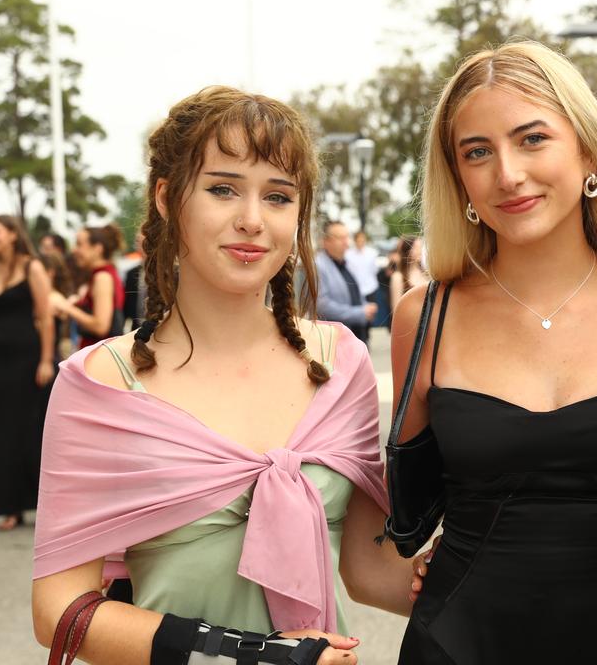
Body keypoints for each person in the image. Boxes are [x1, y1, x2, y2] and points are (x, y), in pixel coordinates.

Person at [30, 86, 413, 665]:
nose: (252, 220)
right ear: (166, 198)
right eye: (222, 189)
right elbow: (58, 609)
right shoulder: (101, 383)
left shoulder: (343, 365)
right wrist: (254, 656)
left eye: (279, 197)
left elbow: (370, 571)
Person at [392, 41, 597, 664]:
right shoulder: (422, 317)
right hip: (454, 647)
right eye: (476, 152)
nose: (507, 173)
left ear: (588, 149)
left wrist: (579, 580)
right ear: (458, 180)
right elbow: (383, 524)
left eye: (533, 139)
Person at [0, 215, 55, 531]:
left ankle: (41, 505)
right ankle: (10, 507)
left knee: (31, 432)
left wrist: (46, 360)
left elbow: (45, 318)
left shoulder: (32, 266)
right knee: (5, 432)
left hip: (28, 359)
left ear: (12, 235)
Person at [53, 225, 125, 349]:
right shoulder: (100, 274)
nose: (74, 250)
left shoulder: (102, 277)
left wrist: (67, 307)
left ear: (97, 249)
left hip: (98, 356)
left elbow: (101, 326)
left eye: (79, 244)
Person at [314, 221, 377, 344]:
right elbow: (322, 305)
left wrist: (365, 307)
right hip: (335, 341)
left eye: (346, 237)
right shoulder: (318, 266)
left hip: (356, 336)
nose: (346, 242)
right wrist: (360, 313)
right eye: (340, 238)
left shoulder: (347, 263)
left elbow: (356, 293)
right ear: (325, 242)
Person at [345, 231, 380, 325]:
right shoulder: (348, 254)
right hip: (355, 289)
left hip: (370, 288)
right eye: (358, 239)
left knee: (370, 314)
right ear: (355, 240)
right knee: (358, 314)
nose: (360, 241)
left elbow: (374, 270)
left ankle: (367, 334)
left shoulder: (372, 253)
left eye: (362, 239)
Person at [388, 235, 430, 314]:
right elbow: (396, 310)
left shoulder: (426, 274)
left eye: (421, 247)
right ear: (408, 250)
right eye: (417, 248)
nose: (420, 251)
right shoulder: (398, 277)